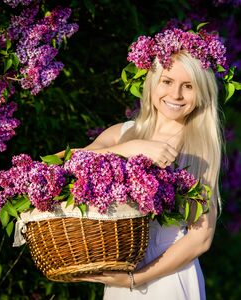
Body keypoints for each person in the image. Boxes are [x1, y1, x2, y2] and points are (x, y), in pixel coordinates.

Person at [56, 28, 226, 299]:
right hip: (120, 274)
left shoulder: (199, 151)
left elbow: (200, 239)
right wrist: (131, 148)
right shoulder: (121, 134)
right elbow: (62, 167)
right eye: (167, 81)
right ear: (152, 83)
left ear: (202, 93)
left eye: (189, 86)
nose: (176, 94)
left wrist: (136, 279)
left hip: (169, 278)